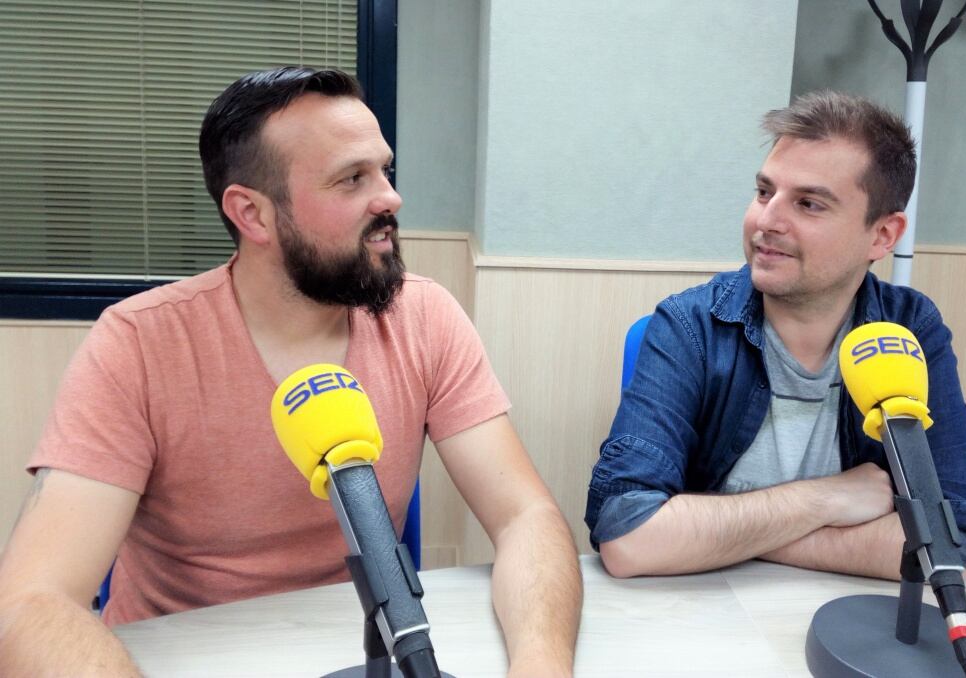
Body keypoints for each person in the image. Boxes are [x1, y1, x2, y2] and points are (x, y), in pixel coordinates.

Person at [0, 67, 582, 677]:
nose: (390, 198)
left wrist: (540, 665)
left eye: (385, 171)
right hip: (187, 658)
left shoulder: (424, 316)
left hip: (363, 649)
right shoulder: (138, 344)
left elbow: (525, 516)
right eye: (352, 178)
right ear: (252, 214)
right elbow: (30, 601)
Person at [585, 90, 966, 580]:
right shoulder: (690, 326)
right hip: (707, 609)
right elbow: (629, 535)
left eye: (809, 204)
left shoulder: (910, 331)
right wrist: (824, 499)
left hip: (853, 613)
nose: (766, 221)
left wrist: (728, 535)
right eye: (764, 192)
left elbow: (948, 542)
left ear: (882, 235)